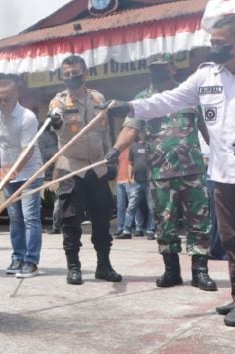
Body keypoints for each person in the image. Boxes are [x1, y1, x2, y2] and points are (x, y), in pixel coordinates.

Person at [103, 15, 235, 326]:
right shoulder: (206, 75)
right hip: (222, 173)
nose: (214, 49)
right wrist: (131, 107)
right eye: (211, 43)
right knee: (230, 238)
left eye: (221, 44)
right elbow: (170, 100)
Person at [105, 54, 216, 292]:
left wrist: (220, 155)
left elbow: (208, 130)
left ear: (173, 69)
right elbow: (130, 130)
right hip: (161, 174)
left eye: (162, 69)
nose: (158, 73)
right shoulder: (143, 99)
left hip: (193, 171)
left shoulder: (191, 95)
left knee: (199, 222)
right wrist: (115, 150)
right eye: (154, 70)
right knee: (165, 224)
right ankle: (172, 271)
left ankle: (200, 272)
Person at [48, 55, 122, 285]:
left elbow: (105, 132)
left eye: (75, 72)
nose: (71, 77)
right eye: (67, 74)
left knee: (102, 219)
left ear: (85, 73)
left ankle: (104, 265)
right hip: (73, 168)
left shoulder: (97, 98)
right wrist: (55, 120)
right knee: (71, 221)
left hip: (97, 167)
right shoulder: (58, 102)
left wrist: (112, 159)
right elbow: (56, 121)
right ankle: (74, 267)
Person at [0, 78, 43, 278]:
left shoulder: (27, 118)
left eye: (6, 99)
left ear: (16, 96)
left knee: (30, 218)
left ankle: (31, 261)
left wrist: (11, 171)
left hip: (29, 173)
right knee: (15, 218)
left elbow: (27, 151)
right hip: (7, 175)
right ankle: (17, 257)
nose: (2, 104)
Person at [115, 131, 156, 240]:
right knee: (131, 206)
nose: (142, 133)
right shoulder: (134, 147)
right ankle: (126, 230)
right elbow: (130, 163)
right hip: (137, 181)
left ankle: (150, 230)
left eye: (144, 132)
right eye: (141, 131)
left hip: (150, 181)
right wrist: (130, 177)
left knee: (152, 207)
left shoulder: (152, 145)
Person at [114, 147, 142, 237]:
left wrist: (133, 177)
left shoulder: (134, 148)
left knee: (133, 205)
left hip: (129, 180)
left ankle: (139, 228)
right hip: (119, 180)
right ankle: (120, 228)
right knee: (120, 206)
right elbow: (118, 164)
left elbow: (136, 164)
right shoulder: (119, 150)